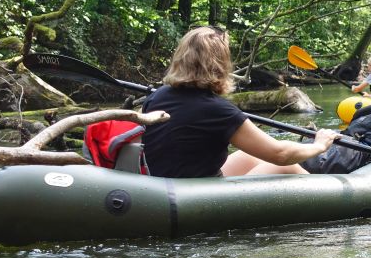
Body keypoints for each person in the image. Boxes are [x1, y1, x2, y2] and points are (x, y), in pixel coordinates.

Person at [142, 26, 339, 178]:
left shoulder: (157, 96)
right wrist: (319, 146)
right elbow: (280, 153)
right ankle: (334, 206)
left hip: (165, 185)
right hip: (194, 196)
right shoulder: (218, 110)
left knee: (250, 155)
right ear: (220, 63)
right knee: (286, 165)